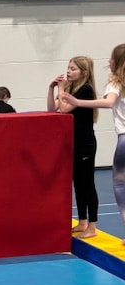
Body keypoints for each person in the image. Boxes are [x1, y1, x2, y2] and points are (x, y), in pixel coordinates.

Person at [48, 57, 99, 239]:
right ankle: (82, 221)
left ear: (83, 72)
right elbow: (52, 109)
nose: (68, 71)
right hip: (73, 143)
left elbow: (65, 109)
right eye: (68, 68)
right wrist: (51, 88)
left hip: (85, 143)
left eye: (73, 69)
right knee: (77, 183)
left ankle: (92, 226)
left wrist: (61, 89)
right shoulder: (70, 89)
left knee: (87, 183)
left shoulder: (86, 89)